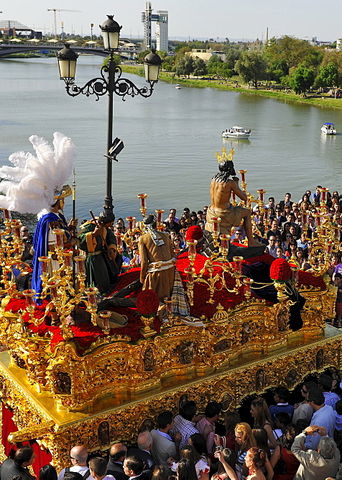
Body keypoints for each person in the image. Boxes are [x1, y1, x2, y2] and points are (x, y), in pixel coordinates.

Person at [205, 154, 259, 246]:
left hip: (212, 211)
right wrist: (236, 184)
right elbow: (244, 198)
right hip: (224, 213)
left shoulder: (213, 179)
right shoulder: (230, 183)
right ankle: (251, 241)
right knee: (247, 212)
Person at [32, 185, 73, 299]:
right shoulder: (50, 219)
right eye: (62, 200)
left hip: (60, 254)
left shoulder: (56, 216)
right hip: (55, 258)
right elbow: (52, 242)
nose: (63, 202)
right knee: (56, 281)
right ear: (57, 202)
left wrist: (69, 228)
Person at [78, 212, 122, 295]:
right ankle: (93, 292)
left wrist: (112, 248)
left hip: (101, 255)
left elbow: (110, 237)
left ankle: (105, 289)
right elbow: (79, 239)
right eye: (110, 223)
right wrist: (92, 234)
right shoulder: (89, 226)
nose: (111, 225)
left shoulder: (106, 228)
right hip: (91, 257)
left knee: (104, 275)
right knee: (93, 277)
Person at [139, 214, 175, 301]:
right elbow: (172, 255)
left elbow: (144, 262)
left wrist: (142, 278)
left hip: (156, 273)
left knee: (152, 300)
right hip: (171, 271)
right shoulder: (166, 236)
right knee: (168, 298)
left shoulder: (143, 239)